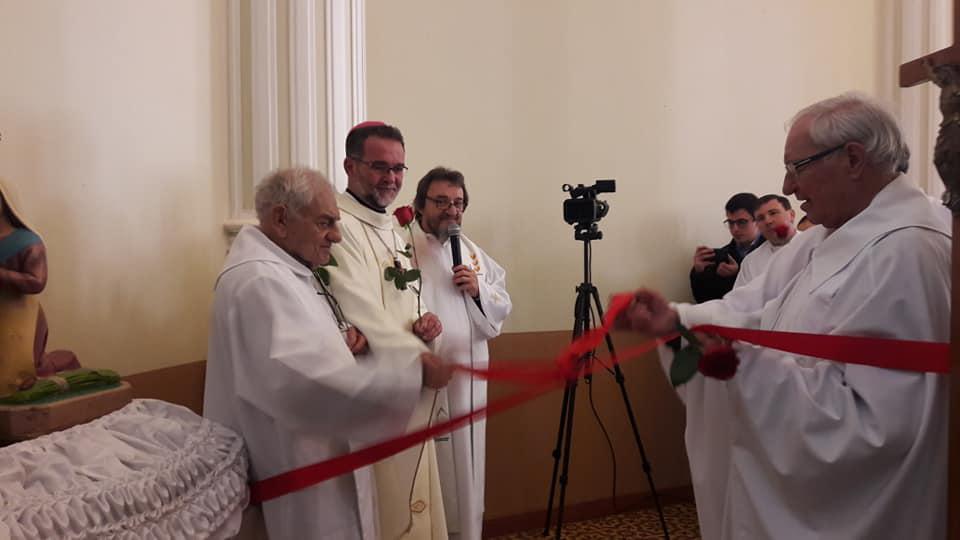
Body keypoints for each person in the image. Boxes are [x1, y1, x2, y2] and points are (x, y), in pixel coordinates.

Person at [617, 93, 949, 539]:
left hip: (857, 505)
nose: (788, 186)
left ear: (852, 159)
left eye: (798, 166)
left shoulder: (910, 249)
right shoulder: (820, 240)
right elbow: (751, 309)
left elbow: (884, 426)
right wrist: (677, 321)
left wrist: (741, 370)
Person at [204, 168, 454, 540]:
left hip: (316, 462)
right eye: (325, 223)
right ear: (281, 219)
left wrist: (347, 340)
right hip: (295, 474)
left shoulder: (290, 272)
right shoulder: (259, 281)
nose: (336, 236)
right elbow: (303, 381)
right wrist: (412, 374)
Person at [325, 122, 447, 539]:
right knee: (387, 506)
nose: (391, 178)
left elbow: (407, 296)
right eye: (380, 166)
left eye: (399, 169)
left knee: (415, 500)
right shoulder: (336, 224)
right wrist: (419, 356)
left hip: (408, 382)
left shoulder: (392, 228)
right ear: (349, 165)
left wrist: (426, 322)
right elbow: (356, 304)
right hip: (376, 387)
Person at [405, 167, 512, 540]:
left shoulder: (468, 249)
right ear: (420, 206)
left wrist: (478, 288)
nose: (451, 211)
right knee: (435, 473)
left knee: (467, 469)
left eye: (458, 203)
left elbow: (501, 298)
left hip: (470, 380)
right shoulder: (402, 247)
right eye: (441, 202)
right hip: (425, 382)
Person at [0, 182, 79, 396]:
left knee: (19, 372)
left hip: (20, 316)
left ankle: (64, 365)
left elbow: (37, 281)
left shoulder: (28, 242)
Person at [689, 193, 763, 302]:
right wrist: (699, 273)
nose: (735, 229)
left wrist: (739, 274)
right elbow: (705, 301)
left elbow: (770, 295)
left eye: (742, 222)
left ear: (758, 220)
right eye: (730, 223)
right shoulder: (721, 256)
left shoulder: (775, 250)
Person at [733, 194, 799, 287]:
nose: (768, 221)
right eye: (760, 218)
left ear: (791, 215)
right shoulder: (751, 262)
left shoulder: (815, 243)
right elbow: (739, 299)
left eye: (773, 213)